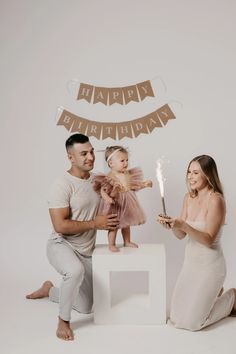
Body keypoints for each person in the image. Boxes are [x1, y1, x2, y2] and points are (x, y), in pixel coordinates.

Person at [26, 134, 119, 341]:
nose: (91, 157)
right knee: (74, 272)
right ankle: (63, 320)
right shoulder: (62, 185)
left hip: (86, 251)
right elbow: (60, 225)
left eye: (92, 151)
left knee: (87, 306)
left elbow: (114, 200)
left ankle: (50, 290)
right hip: (62, 245)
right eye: (84, 153)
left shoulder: (98, 180)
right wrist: (96, 223)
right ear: (70, 157)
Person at [157, 155, 236, 331]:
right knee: (176, 318)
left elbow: (208, 239)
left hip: (211, 266)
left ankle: (231, 299)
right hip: (191, 264)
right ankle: (213, 295)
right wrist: (171, 225)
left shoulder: (216, 200)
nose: (190, 177)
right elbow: (180, 235)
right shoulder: (188, 197)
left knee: (192, 323)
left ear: (208, 175)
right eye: (188, 172)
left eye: (195, 173)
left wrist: (183, 224)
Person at [92, 145, 152, 252]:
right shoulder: (109, 177)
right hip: (115, 203)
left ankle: (127, 241)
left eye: (127, 160)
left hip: (128, 202)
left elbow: (133, 186)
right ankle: (111, 244)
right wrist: (107, 198)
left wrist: (144, 184)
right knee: (113, 225)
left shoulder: (128, 175)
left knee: (126, 224)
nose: (126, 163)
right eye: (122, 161)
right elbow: (102, 190)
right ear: (111, 163)